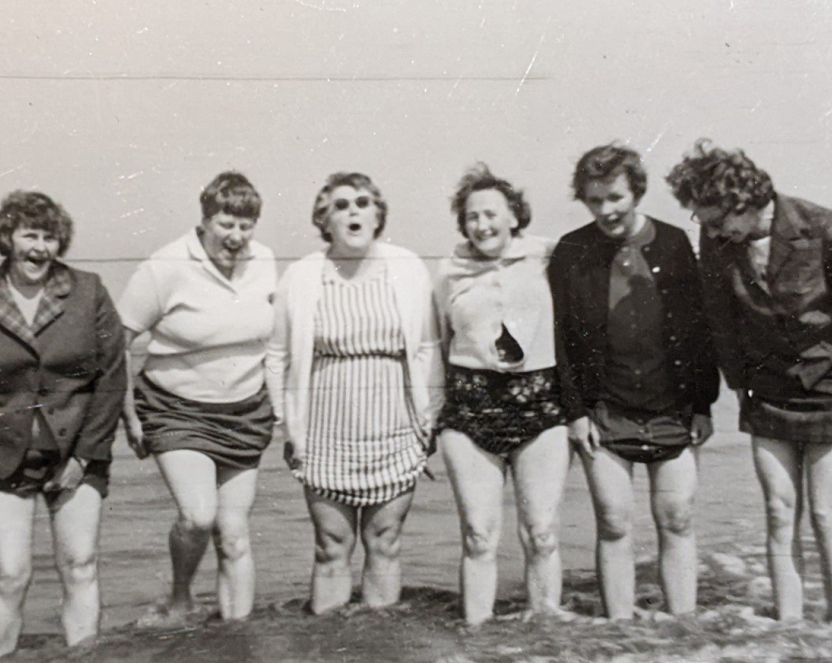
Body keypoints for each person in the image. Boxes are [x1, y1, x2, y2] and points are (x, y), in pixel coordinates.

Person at [666, 139, 832, 625]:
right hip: (768, 391)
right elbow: (719, 318)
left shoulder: (820, 224)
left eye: (716, 220)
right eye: (704, 222)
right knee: (778, 511)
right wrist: (739, 383)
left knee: (826, 515)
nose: (711, 231)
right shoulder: (717, 239)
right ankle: (787, 629)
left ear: (742, 201)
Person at [0, 190, 126, 659]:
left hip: (76, 451)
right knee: (9, 574)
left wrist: (85, 456)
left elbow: (111, 378)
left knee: (80, 565)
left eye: (49, 237)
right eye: (29, 235)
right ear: (7, 238)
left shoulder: (89, 292)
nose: (40, 248)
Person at [549, 144, 718, 620]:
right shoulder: (571, 251)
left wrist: (703, 404)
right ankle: (619, 631)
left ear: (637, 192)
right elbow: (559, 340)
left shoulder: (674, 243)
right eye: (594, 200)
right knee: (613, 523)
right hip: (605, 411)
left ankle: (684, 627)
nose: (606, 210)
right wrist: (575, 412)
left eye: (615, 197)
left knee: (677, 519)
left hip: (672, 407)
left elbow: (699, 330)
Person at [267, 172, 443, 614]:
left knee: (385, 541)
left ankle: (378, 646)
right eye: (341, 205)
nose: (353, 212)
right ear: (324, 220)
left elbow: (427, 347)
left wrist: (428, 420)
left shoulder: (407, 267)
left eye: (363, 203)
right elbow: (277, 355)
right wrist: (287, 424)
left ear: (378, 215)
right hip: (325, 434)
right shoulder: (302, 275)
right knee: (330, 545)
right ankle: (328, 648)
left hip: (395, 430)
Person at [118, 171, 277, 622]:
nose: (236, 236)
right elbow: (116, 343)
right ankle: (180, 596)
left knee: (235, 534)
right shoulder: (166, 266)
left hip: (245, 413)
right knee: (198, 516)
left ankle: (237, 640)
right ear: (204, 220)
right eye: (226, 224)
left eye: (246, 225)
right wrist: (129, 416)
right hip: (175, 410)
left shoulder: (265, 261)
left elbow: (274, 340)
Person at [434, 164, 576, 625]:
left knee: (542, 533)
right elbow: (437, 344)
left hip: (540, 404)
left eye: (491, 214)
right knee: (479, 536)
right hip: (470, 408)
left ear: (514, 216)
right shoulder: (448, 271)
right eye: (472, 217)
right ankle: (476, 642)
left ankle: (545, 636)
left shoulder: (549, 257)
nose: (482, 225)